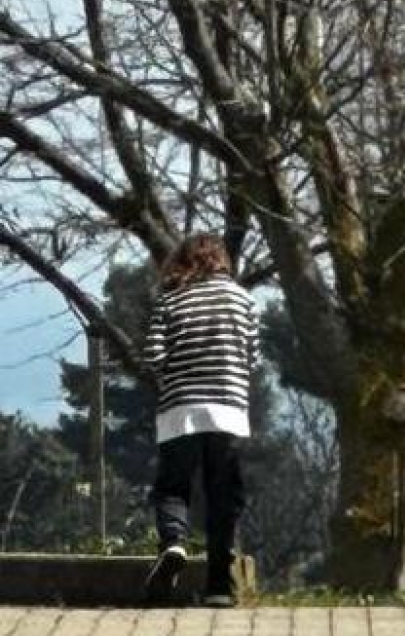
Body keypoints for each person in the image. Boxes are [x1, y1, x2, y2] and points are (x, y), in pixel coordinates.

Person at [142, 234, 260, 608]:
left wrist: (170, 379)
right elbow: (252, 358)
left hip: (180, 410)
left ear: (182, 261)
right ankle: (219, 587)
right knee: (223, 496)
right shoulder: (243, 300)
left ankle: (174, 542)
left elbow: (153, 355)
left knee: (172, 487)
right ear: (221, 260)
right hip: (227, 412)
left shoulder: (170, 300)